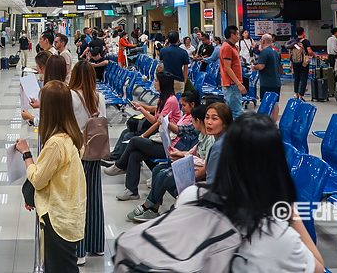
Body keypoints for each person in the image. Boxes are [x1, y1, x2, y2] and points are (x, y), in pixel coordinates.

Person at [178, 112, 324, 273]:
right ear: (277, 165)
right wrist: (289, 211)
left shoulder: (190, 196)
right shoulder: (276, 235)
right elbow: (318, 268)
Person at [15, 81, 86, 273]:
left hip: (58, 219)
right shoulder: (72, 134)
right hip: (70, 212)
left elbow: (38, 179)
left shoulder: (56, 143)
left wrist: (26, 154)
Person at [104, 73, 185, 200]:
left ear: (162, 83)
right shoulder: (163, 98)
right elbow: (155, 116)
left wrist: (143, 135)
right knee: (134, 155)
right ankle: (131, 191)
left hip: (167, 144)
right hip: (158, 139)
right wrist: (141, 108)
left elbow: (157, 123)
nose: (154, 83)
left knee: (135, 141)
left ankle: (120, 165)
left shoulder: (171, 100)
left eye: (156, 81)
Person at [126, 104, 211, 223]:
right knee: (157, 170)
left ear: (198, 121)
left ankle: (148, 205)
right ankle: (154, 208)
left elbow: (206, 163)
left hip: (195, 169)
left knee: (163, 175)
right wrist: (181, 154)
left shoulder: (211, 139)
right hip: (187, 160)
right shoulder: (202, 134)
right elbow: (194, 151)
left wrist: (185, 157)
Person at [68, 61, 107, 263]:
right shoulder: (99, 97)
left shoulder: (71, 96)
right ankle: (97, 245)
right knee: (94, 196)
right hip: (95, 152)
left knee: (77, 200)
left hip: (76, 153)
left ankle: (79, 251)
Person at [22, 54, 66, 124]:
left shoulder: (48, 91)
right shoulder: (67, 90)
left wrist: (29, 117)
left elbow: (42, 121)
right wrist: (41, 104)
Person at [252, 34, 282, 121]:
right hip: (276, 82)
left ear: (263, 41)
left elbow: (261, 66)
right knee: (275, 103)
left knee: (266, 103)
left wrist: (254, 67)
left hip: (267, 82)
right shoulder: (275, 52)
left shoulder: (264, 52)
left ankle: (266, 124)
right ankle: (273, 123)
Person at [219, 26, 245, 120]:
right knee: (237, 111)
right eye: (237, 34)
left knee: (233, 110)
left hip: (232, 84)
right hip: (231, 84)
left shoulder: (232, 47)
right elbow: (227, 68)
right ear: (232, 35)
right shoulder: (227, 47)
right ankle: (236, 133)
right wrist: (239, 83)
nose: (239, 36)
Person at [203, 102, 232, 184]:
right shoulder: (228, 137)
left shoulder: (219, 146)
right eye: (207, 117)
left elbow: (212, 183)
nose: (209, 122)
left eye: (214, 119)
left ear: (225, 123)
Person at [285, 27, 314, 100]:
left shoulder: (293, 42)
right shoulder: (306, 41)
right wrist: (314, 55)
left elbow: (291, 53)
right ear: (303, 33)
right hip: (304, 63)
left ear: (296, 33)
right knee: (303, 78)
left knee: (296, 78)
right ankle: (301, 96)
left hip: (295, 62)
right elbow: (309, 51)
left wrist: (291, 63)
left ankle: (296, 95)